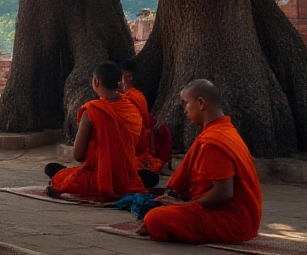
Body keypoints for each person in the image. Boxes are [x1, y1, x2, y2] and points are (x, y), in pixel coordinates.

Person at [140, 80, 262, 244]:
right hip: (235, 217)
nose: (185, 110)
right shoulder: (224, 131)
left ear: (200, 103)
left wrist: (186, 205)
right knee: (159, 205)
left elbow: (224, 193)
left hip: (232, 222)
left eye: (186, 103)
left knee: (154, 219)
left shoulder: (214, 141)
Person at [45, 61, 156, 200]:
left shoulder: (92, 110)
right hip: (127, 177)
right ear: (119, 82)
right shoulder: (132, 109)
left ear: (96, 81)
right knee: (145, 177)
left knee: (53, 171)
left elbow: (78, 155)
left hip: (98, 178)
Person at [119, 60, 167, 173]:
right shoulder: (137, 95)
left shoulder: (131, 97)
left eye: (119, 77)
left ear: (128, 77)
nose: (118, 82)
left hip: (136, 143)